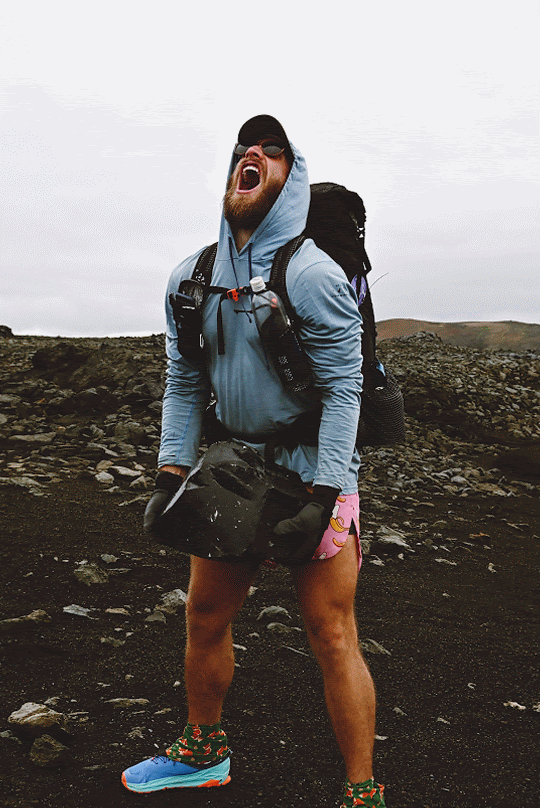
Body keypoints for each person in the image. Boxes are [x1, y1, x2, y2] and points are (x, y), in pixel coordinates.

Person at [121, 115, 387, 808]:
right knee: (205, 614)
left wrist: (324, 498)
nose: (254, 154)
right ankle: (204, 753)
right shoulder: (192, 277)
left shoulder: (313, 274)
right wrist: (169, 474)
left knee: (331, 633)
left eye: (273, 150)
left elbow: (345, 389)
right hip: (233, 468)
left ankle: (363, 792)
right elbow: (184, 380)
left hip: (312, 467)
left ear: (290, 180)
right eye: (245, 148)